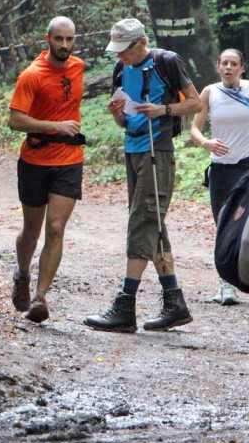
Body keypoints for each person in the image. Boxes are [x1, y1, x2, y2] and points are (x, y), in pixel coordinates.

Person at [83, 18, 201, 333]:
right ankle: (175, 303)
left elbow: (196, 102)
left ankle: (125, 304)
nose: (120, 56)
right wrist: (119, 115)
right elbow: (124, 122)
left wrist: (163, 110)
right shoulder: (121, 70)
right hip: (133, 150)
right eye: (118, 50)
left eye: (125, 50)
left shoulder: (166, 61)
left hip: (157, 152)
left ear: (142, 43)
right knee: (154, 225)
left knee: (143, 222)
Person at [189, 48, 249, 305]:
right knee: (223, 224)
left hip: (247, 168)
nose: (229, 68)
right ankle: (226, 284)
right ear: (218, 67)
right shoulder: (210, 92)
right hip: (220, 169)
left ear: (242, 68)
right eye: (224, 63)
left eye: (234, 64)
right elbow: (194, 128)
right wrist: (206, 143)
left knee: (248, 224)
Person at [8, 16, 85, 324]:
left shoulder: (79, 67)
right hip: (35, 160)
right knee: (31, 229)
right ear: (48, 39)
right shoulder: (32, 75)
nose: (64, 45)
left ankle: (40, 296)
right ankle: (23, 274)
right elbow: (15, 120)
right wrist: (56, 126)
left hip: (69, 159)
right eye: (59, 39)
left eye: (69, 40)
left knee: (55, 228)